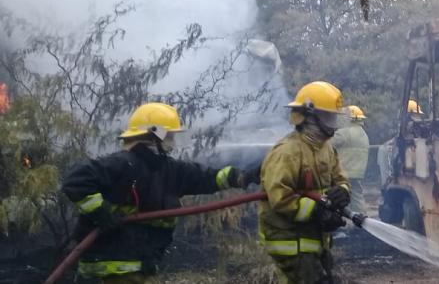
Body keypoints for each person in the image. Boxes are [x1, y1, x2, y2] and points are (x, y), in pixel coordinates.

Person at [62, 102, 255, 283]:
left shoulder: (167, 169)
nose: (172, 142)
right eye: (169, 136)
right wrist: (101, 212)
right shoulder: (124, 163)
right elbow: (76, 181)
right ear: (154, 136)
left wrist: (241, 177)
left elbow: (204, 177)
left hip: (139, 260)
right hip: (114, 262)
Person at [259, 81, 351, 284]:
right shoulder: (287, 151)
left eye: (334, 117)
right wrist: (318, 211)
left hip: (314, 238)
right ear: (309, 115)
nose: (332, 123)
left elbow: (340, 178)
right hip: (290, 241)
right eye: (328, 117)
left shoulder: (326, 149)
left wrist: (342, 191)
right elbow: (280, 198)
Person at [330, 105, 370, 214]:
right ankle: (362, 220)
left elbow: (327, 144)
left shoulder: (345, 132)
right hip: (358, 172)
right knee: (357, 198)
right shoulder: (363, 134)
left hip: (344, 172)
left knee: (337, 195)